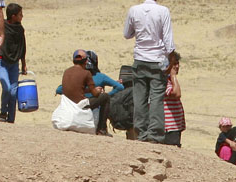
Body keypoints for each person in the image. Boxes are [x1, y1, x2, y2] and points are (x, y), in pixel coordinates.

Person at [124, 0, 175, 144]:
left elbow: (127, 34)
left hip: (140, 58)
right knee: (156, 98)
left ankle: (141, 133)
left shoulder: (134, 10)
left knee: (139, 98)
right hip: (157, 60)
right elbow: (168, 39)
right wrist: (171, 60)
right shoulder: (163, 11)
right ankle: (155, 134)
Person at [59, 49, 114, 136]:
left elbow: (74, 88)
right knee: (105, 97)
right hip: (80, 104)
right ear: (85, 62)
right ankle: (102, 129)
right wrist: (98, 90)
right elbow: (95, 94)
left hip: (67, 103)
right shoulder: (86, 73)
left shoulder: (67, 71)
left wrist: (87, 90)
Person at [0, 3, 27, 123]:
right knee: (7, 88)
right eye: (20, 14)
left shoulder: (19, 29)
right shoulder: (2, 26)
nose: (22, 16)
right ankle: (3, 112)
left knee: (14, 92)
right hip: (2, 62)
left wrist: (23, 63)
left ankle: (11, 119)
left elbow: (22, 46)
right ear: (13, 16)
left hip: (14, 64)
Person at [162, 51, 185, 146]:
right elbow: (176, 94)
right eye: (174, 63)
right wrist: (173, 76)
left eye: (178, 63)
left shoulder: (170, 81)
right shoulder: (163, 81)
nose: (177, 67)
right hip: (168, 127)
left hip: (175, 126)